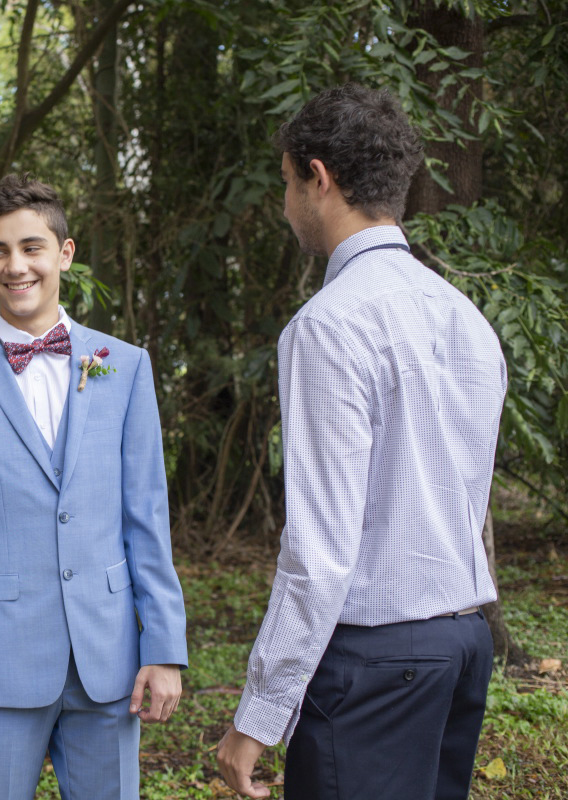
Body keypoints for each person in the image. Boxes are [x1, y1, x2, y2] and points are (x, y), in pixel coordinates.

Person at [216, 84, 505, 799]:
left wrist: (259, 713)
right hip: (465, 645)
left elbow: (321, 552)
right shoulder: (465, 316)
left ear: (319, 178)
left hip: (379, 661)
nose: (286, 204)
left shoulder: (329, 325)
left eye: (286, 182)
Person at [0, 174, 188, 799]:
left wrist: (163, 645)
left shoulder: (124, 365)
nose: (16, 266)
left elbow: (146, 516)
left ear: (64, 253)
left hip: (107, 660)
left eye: (31, 247)